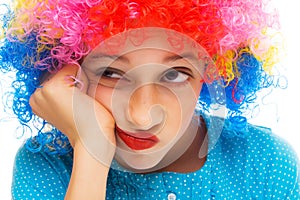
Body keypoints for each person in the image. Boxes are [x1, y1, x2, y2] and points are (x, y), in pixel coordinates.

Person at [0, 0, 299, 199]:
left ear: (214, 69)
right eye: (111, 73)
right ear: (65, 70)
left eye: (174, 75)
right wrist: (91, 151)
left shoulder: (263, 163)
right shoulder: (48, 165)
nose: (142, 115)